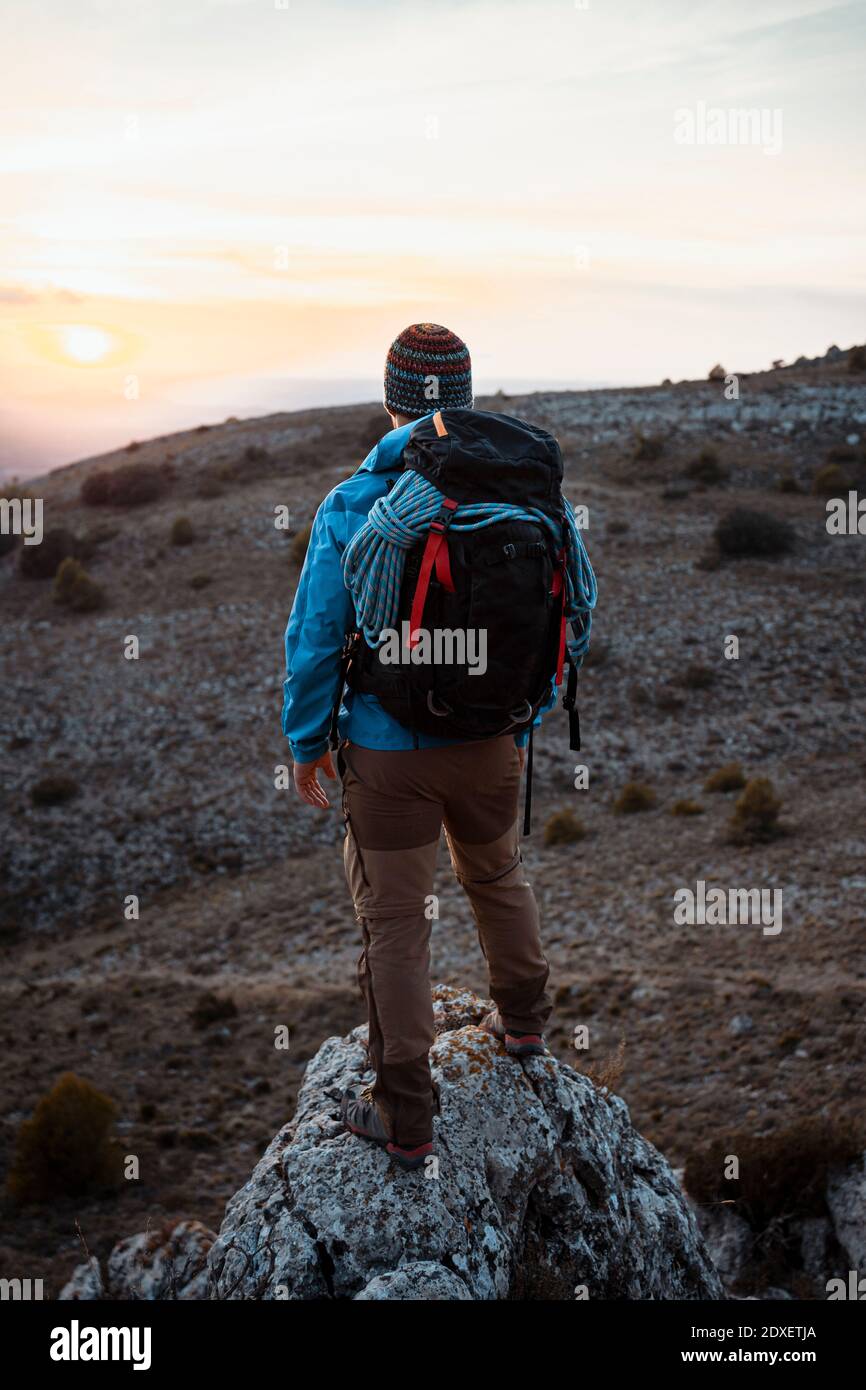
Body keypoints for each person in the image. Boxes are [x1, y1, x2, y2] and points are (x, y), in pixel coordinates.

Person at [282, 323, 576, 1170]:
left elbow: (313, 638)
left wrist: (307, 743)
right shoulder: (527, 491)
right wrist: (520, 717)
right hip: (494, 739)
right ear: (468, 397)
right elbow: (565, 616)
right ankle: (523, 1024)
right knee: (497, 874)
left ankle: (405, 1114)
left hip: (387, 754)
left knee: (396, 922)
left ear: (392, 400)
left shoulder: (354, 503)